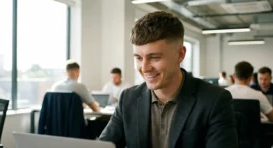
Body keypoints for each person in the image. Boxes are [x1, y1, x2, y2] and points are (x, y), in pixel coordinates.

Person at [99, 11, 237, 148]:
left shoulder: (215, 100)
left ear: (180, 54)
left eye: (154, 57)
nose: (145, 68)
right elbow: (103, 145)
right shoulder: (129, 98)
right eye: (139, 58)